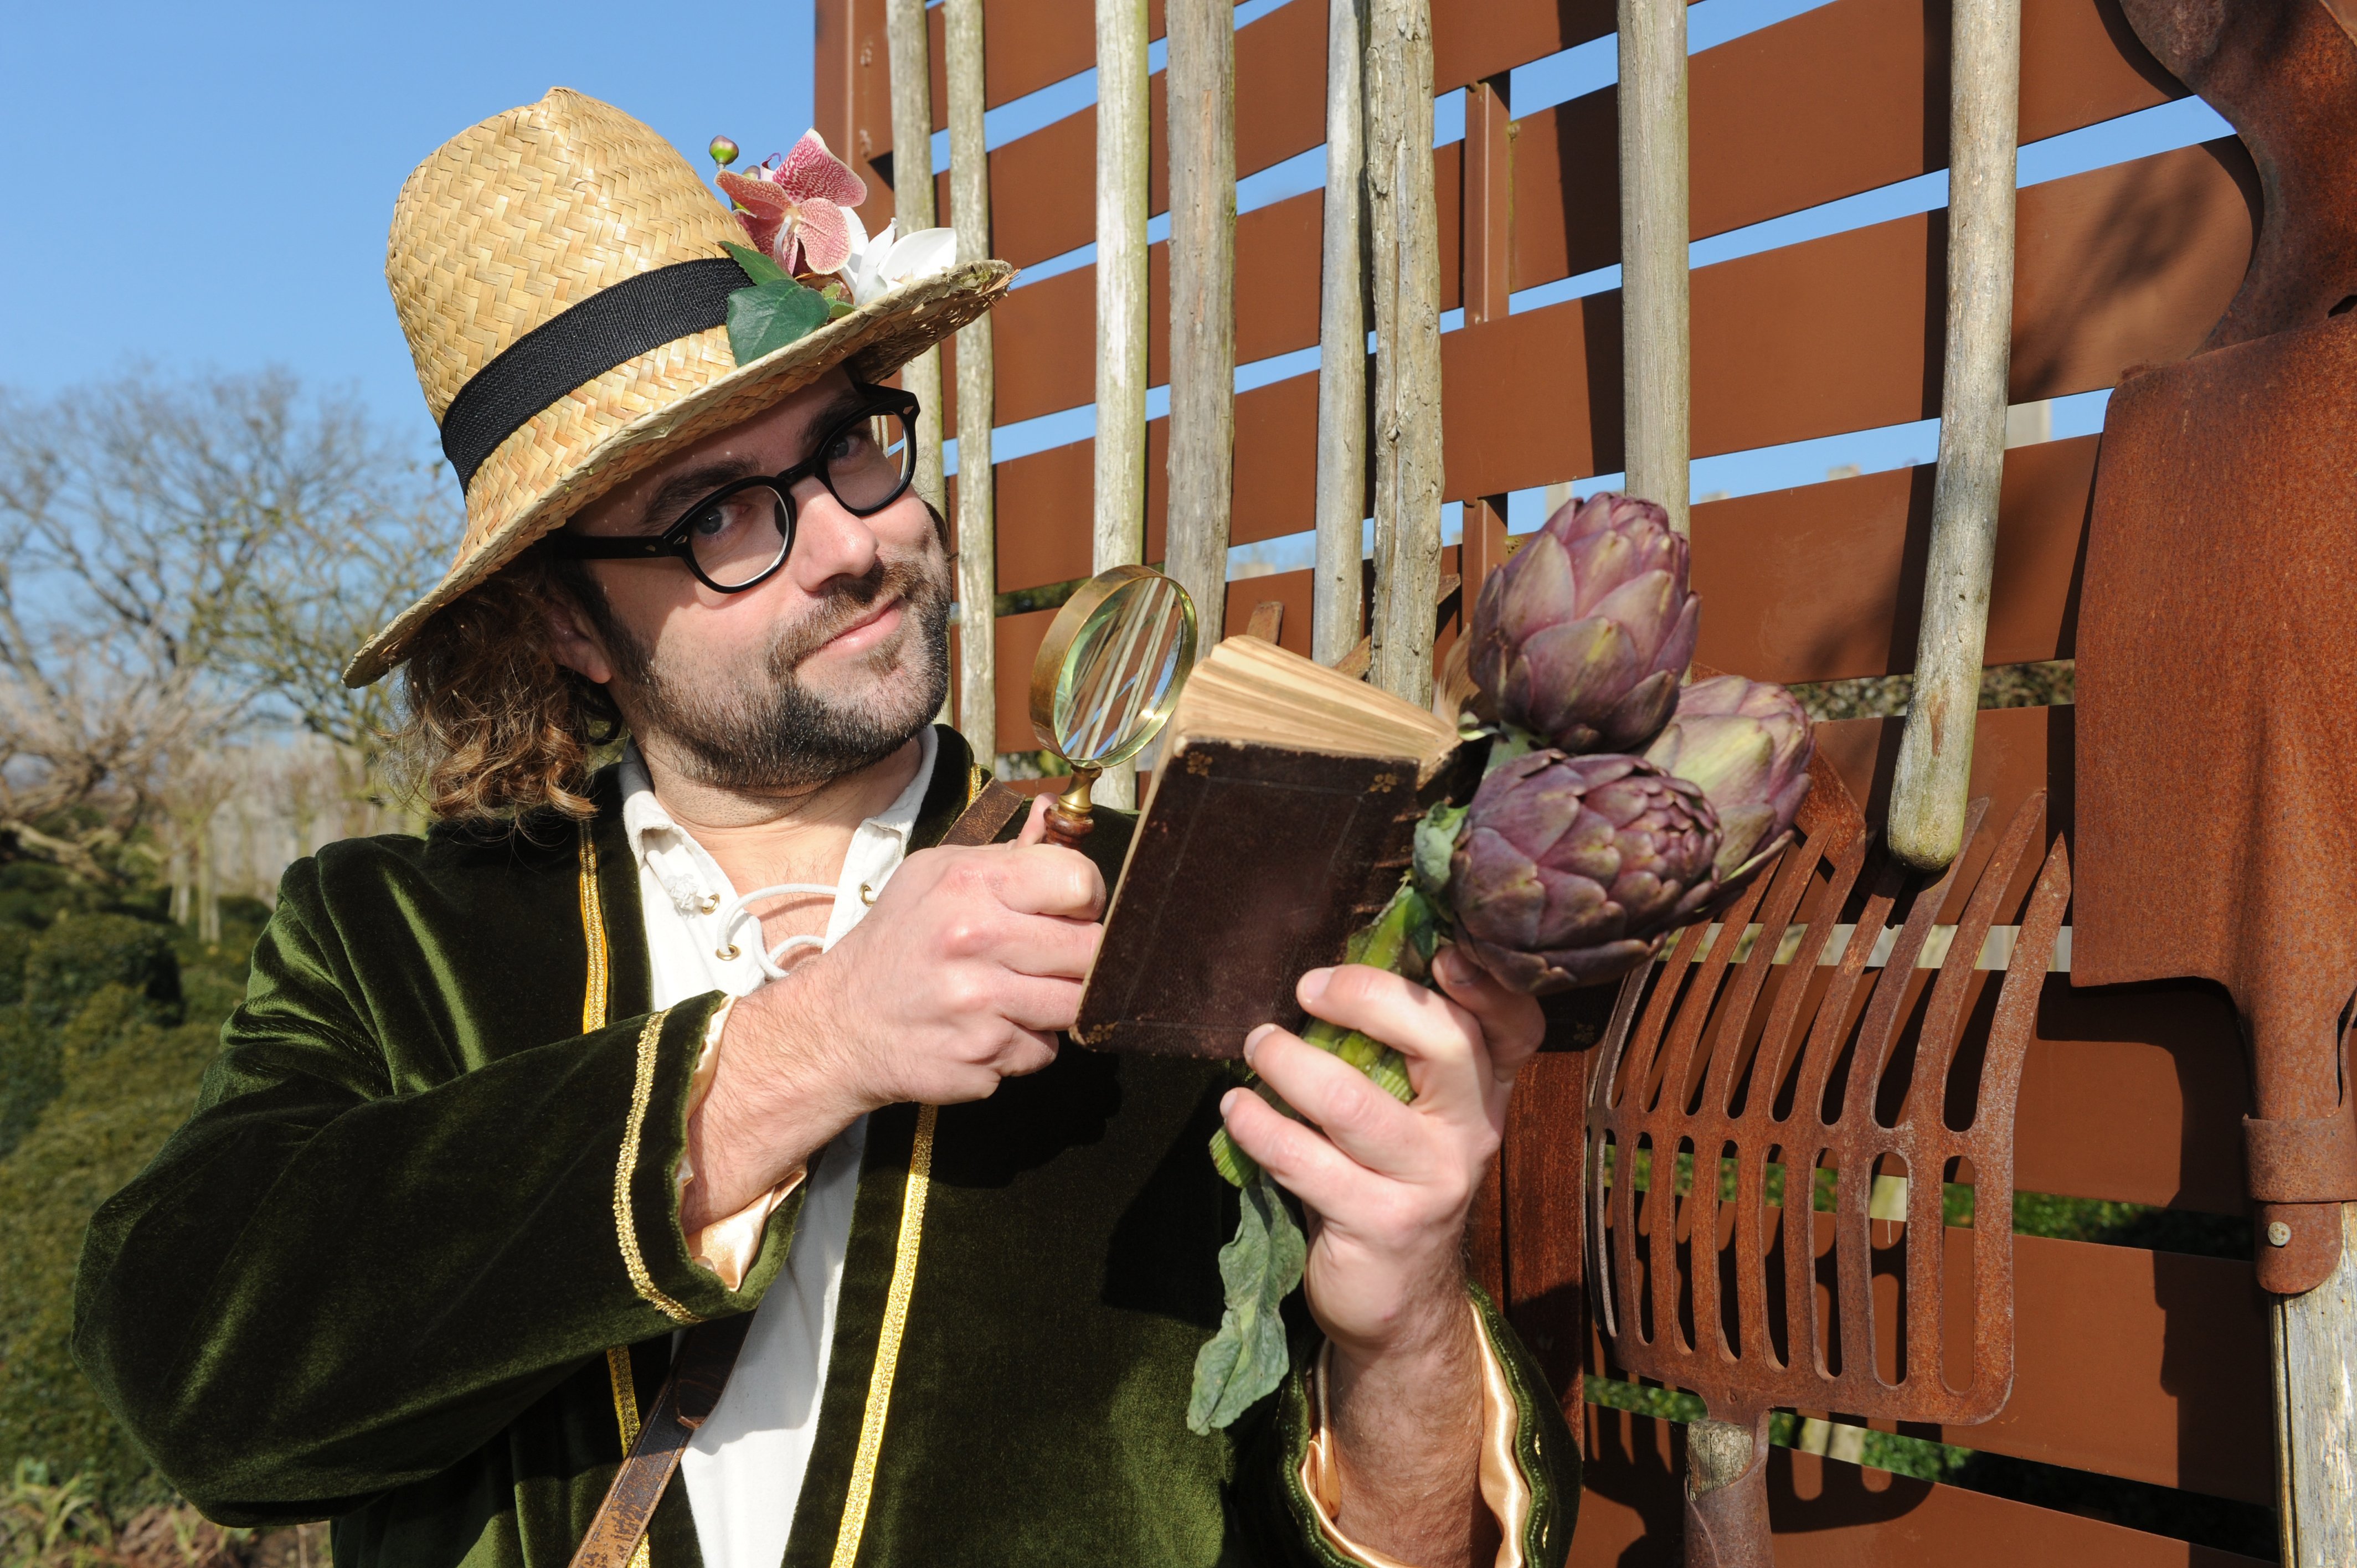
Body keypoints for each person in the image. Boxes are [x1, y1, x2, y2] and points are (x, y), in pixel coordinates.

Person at [73, 89, 1579, 1568]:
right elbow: (196, 1378)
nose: (859, 540)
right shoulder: (393, 937)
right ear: (563, 623)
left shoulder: (1190, 925)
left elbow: (1416, 1541)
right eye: (719, 513)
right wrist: (806, 1049)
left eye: (851, 442)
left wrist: (1400, 1332)